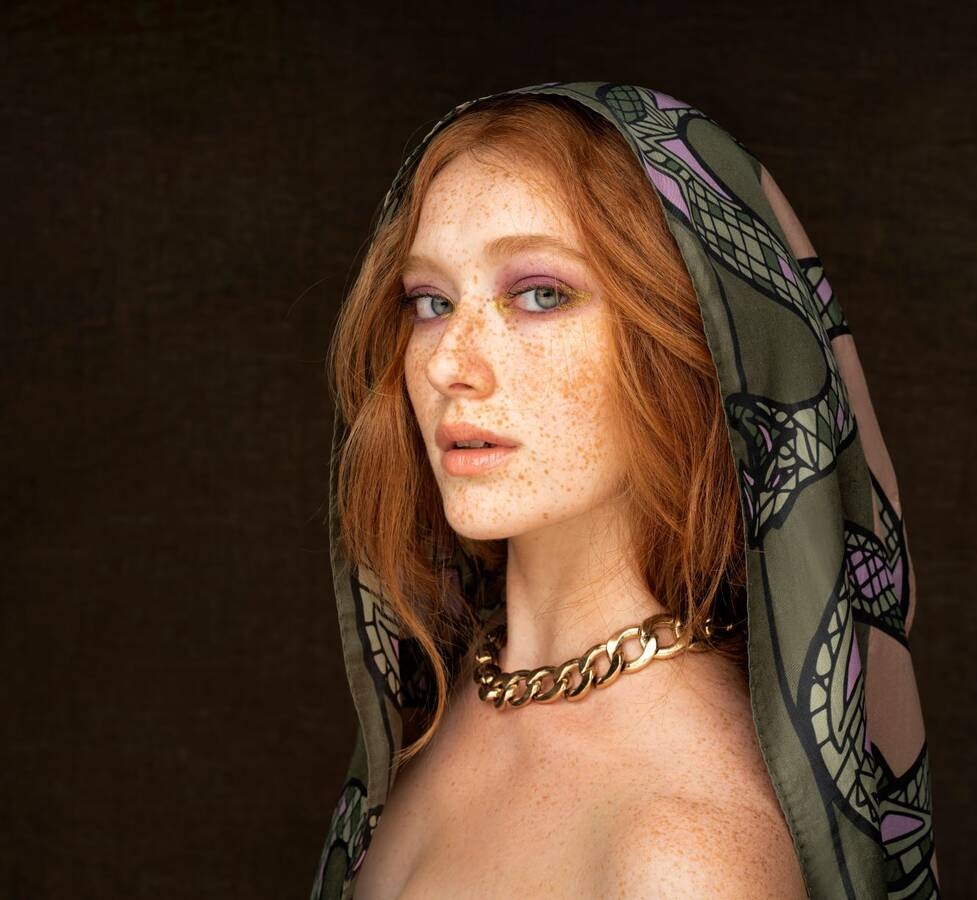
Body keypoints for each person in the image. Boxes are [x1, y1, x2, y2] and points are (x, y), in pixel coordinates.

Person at [310, 81, 940, 900]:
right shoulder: (439, 699)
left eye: (540, 294)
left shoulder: (685, 856)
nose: (447, 364)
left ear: (692, 341)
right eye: (430, 301)